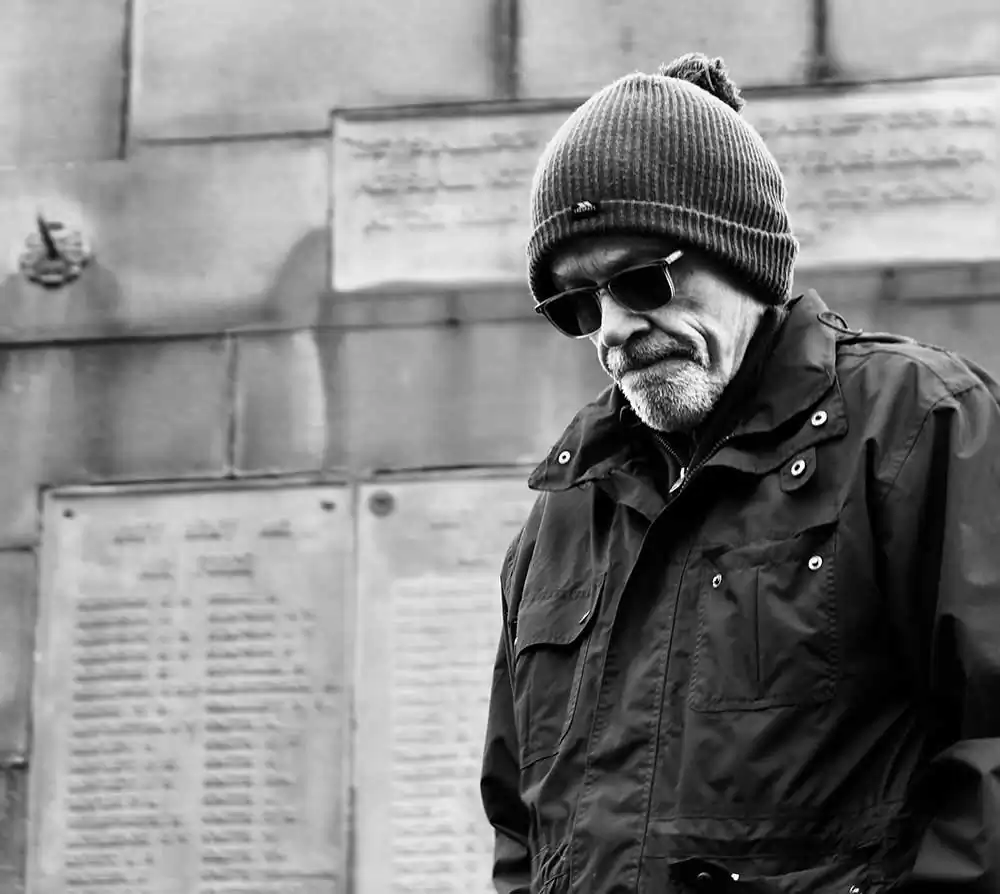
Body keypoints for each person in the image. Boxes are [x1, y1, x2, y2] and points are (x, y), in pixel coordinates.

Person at [479, 52, 1000, 893]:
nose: (613, 329)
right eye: (576, 304)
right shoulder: (566, 513)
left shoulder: (921, 424)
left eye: (641, 280)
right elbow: (520, 827)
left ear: (743, 255)